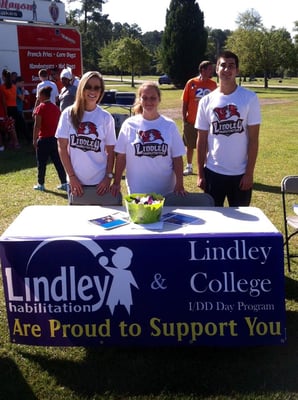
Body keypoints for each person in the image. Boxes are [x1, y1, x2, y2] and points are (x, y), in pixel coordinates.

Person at [196, 50, 261, 207]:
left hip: (240, 174)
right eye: (223, 65)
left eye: (231, 66)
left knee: (240, 228)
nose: (227, 70)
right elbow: (202, 139)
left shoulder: (250, 98)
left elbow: (253, 139)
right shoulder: (206, 101)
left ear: (237, 70)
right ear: (216, 69)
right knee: (213, 221)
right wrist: (200, 173)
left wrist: (249, 173)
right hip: (213, 172)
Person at [111, 81, 186, 196]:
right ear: (139, 100)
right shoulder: (129, 124)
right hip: (137, 190)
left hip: (166, 191)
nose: (149, 102)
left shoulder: (169, 125)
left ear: (159, 99)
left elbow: (177, 158)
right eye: (145, 98)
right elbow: (121, 157)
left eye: (153, 98)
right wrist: (116, 182)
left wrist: (180, 183)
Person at [55, 71, 116, 202]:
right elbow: (62, 147)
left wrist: (108, 177)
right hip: (76, 182)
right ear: (81, 88)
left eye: (96, 87)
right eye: (88, 86)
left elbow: (111, 152)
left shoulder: (106, 117)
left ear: (101, 91)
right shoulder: (68, 114)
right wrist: (71, 176)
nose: (92, 91)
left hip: (100, 183)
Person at [182, 60, 217, 176]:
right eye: (209, 69)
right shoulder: (191, 82)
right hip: (191, 120)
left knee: (206, 144)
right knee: (190, 145)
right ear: (202, 70)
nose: (212, 71)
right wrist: (184, 118)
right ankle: (189, 166)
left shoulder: (213, 85)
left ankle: (206, 165)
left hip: (207, 121)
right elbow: (185, 102)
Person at [32, 86, 67, 191]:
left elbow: (37, 125)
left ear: (43, 95)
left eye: (39, 95)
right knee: (58, 162)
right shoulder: (55, 107)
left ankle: (41, 184)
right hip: (54, 139)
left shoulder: (40, 108)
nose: (38, 97)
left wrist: (34, 139)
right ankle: (64, 182)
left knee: (41, 163)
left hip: (43, 140)